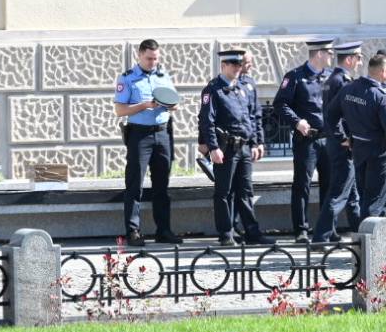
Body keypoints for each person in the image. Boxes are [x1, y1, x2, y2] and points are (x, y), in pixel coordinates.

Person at [198, 48, 273, 246]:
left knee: (246, 191)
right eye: (234, 65)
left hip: (244, 147)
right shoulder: (213, 90)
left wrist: (256, 142)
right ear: (223, 65)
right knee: (224, 192)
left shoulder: (243, 87)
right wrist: (213, 147)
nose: (238, 68)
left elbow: (253, 116)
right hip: (226, 148)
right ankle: (226, 233)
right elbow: (207, 121)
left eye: (240, 65)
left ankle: (252, 232)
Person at [114, 38, 182, 246]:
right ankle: (133, 231)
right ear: (140, 55)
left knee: (162, 185)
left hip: (162, 133)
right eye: (149, 58)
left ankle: (164, 230)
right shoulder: (127, 78)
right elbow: (120, 110)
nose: (153, 62)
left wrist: (168, 104)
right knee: (135, 184)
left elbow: (175, 104)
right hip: (140, 135)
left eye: (156, 58)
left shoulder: (163, 76)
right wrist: (144, 105)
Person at [271, 38, 335, 243]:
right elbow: (280, 104)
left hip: (328, 139)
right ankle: (301, 229)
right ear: (319, 53)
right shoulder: (295, 77)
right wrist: (297, 121)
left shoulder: (331, 77)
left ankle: (327, 229)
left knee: (330, 185)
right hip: (307, 140)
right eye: (329, 52)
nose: (332, 56)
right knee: (302, 184)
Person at [335, 52, 386, 220]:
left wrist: (341, 137)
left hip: (359, 149)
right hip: (379, 153)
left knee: (365, 198)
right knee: (375, 203)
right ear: (382, 72)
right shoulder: (381, 95)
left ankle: (366, 233)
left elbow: (330, 115)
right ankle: (370, 235)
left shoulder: (349, 89)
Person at [310, 40, 364, 242]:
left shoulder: (333, 79)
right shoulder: (341, 82)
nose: (360, 62)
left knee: (352, 195)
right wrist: (344, 138)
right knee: (339, 193)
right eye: (358, 58)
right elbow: (335, 115)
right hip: (342, 145)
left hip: (338, 143)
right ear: (349, 59)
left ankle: (362, 234)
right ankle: (321, 237)